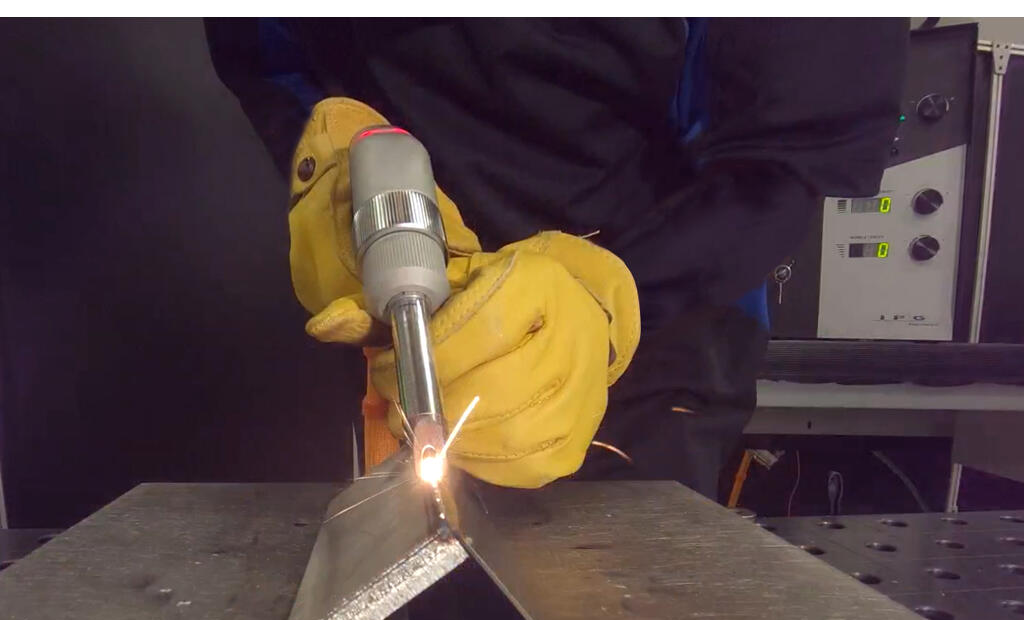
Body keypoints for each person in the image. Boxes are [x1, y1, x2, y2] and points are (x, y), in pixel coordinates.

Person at [205, 18, 908, 498]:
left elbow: (786, 163)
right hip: (408, 316)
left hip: (658, 327)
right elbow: (265, 57)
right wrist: (334, 159)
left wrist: (601, 294)